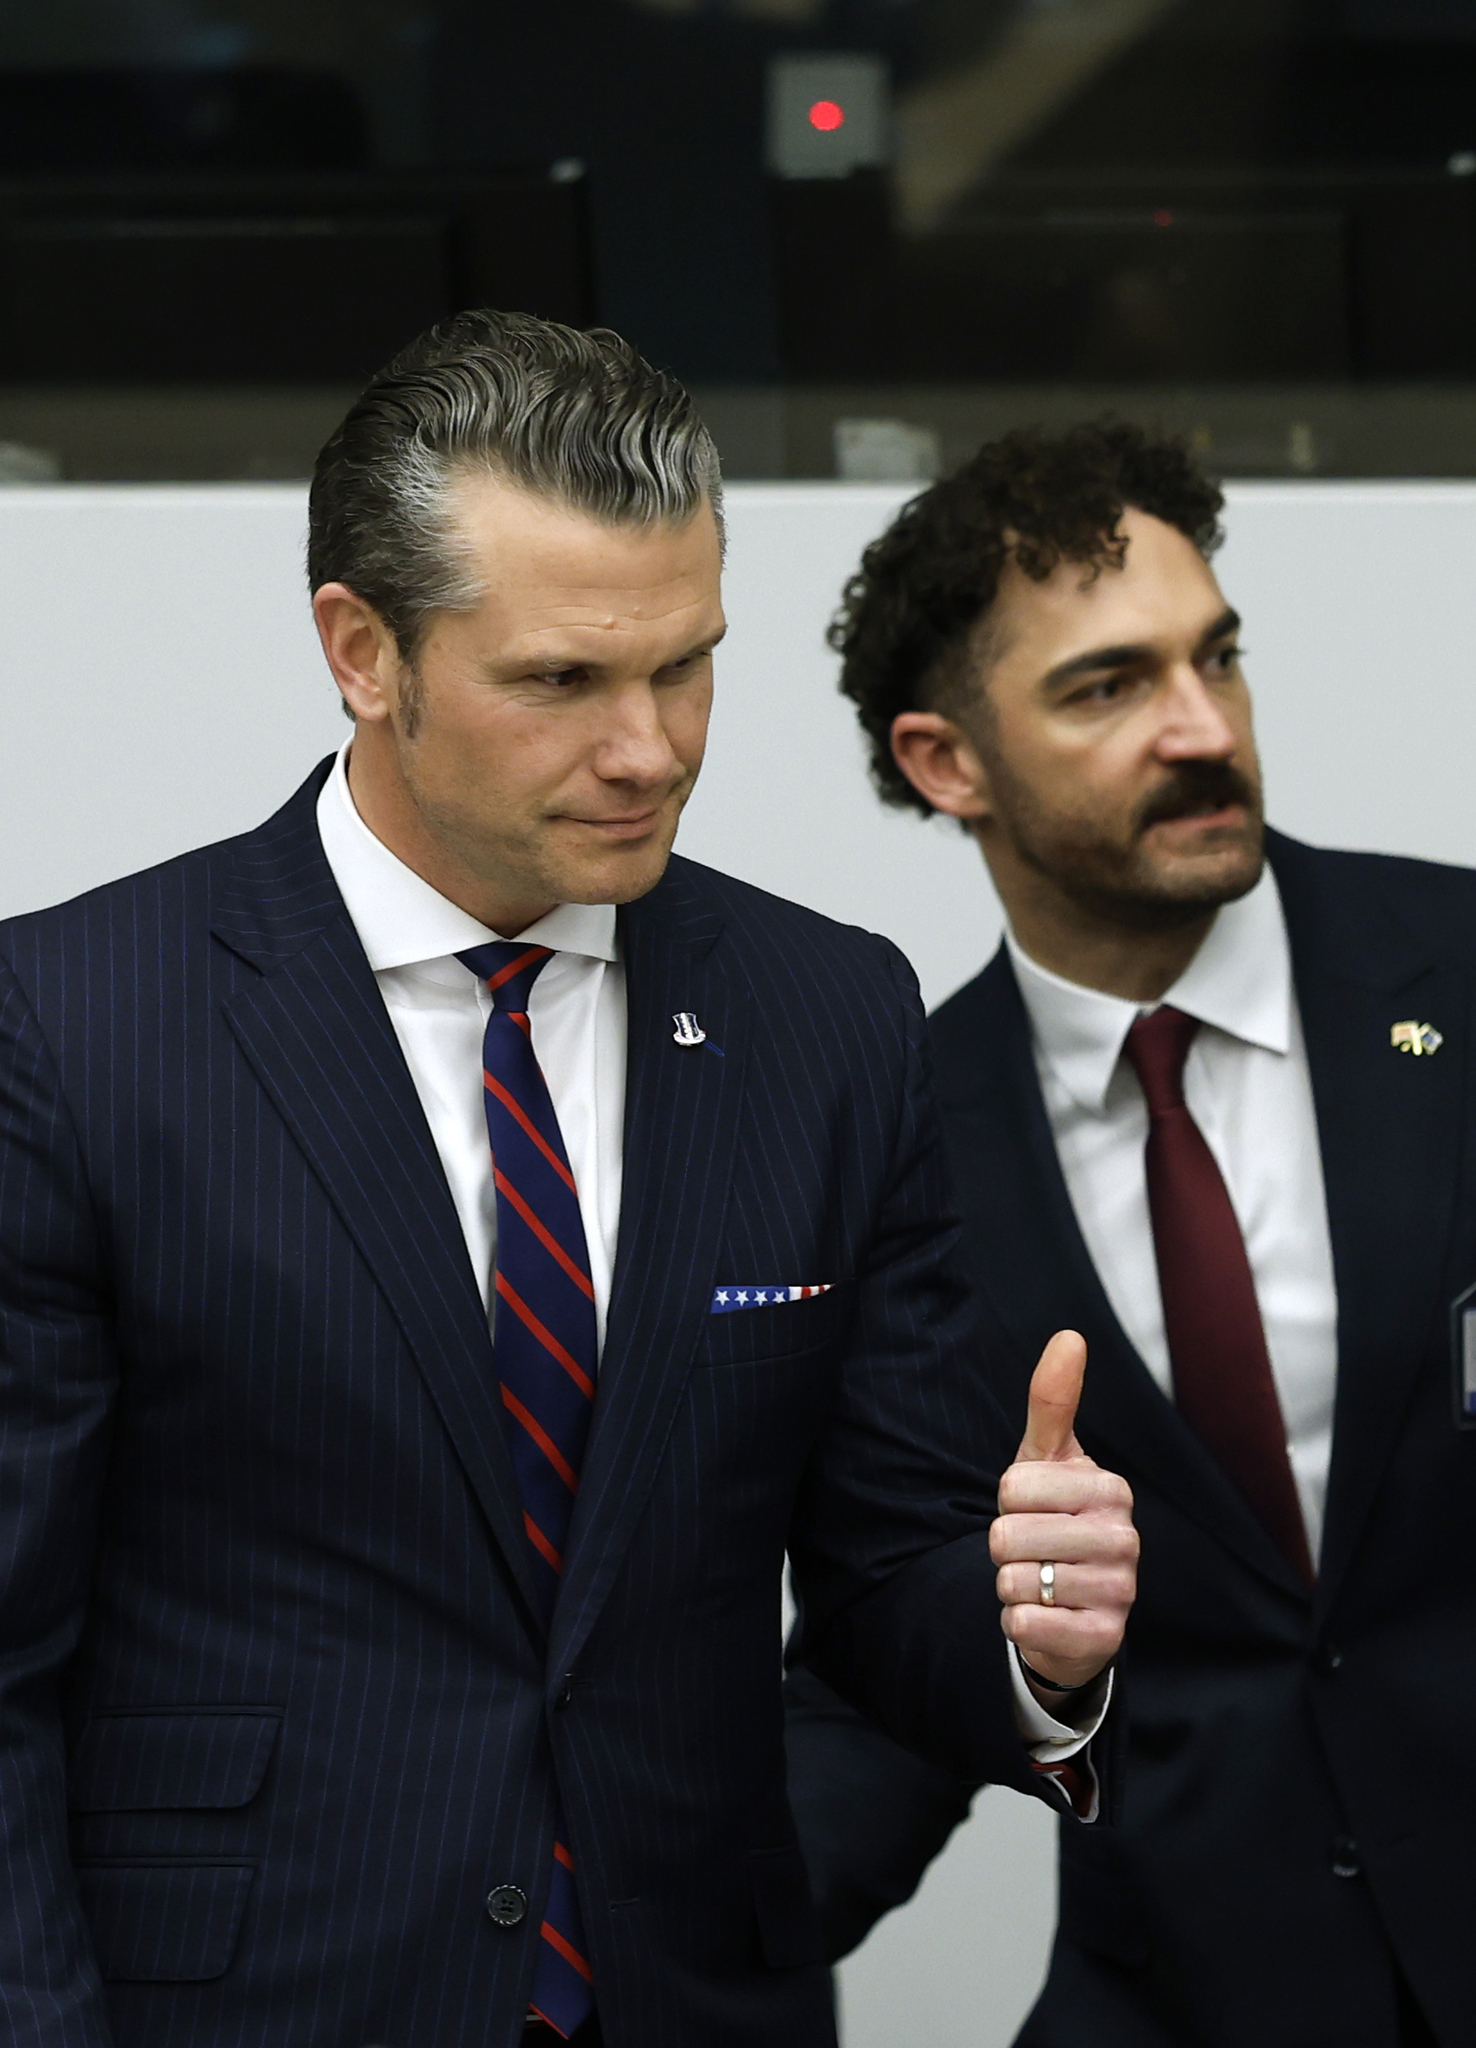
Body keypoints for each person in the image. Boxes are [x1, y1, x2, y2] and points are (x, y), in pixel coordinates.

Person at [0, 312, 1138, 2048]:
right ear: (362, 651)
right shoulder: (76, 1025)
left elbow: (886, 1563)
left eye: (687, 665)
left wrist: (1034, 1646)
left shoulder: (825, 1015)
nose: (652, 749)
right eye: (562, 681)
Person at [785, 420, 1476, 2048]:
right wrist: (609, 1966)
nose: (1202, 730)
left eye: (1218, 658)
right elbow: (890, 1669)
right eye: (1106, 688)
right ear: (945, 762)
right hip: (1194, 1992)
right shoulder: (900, 1144)